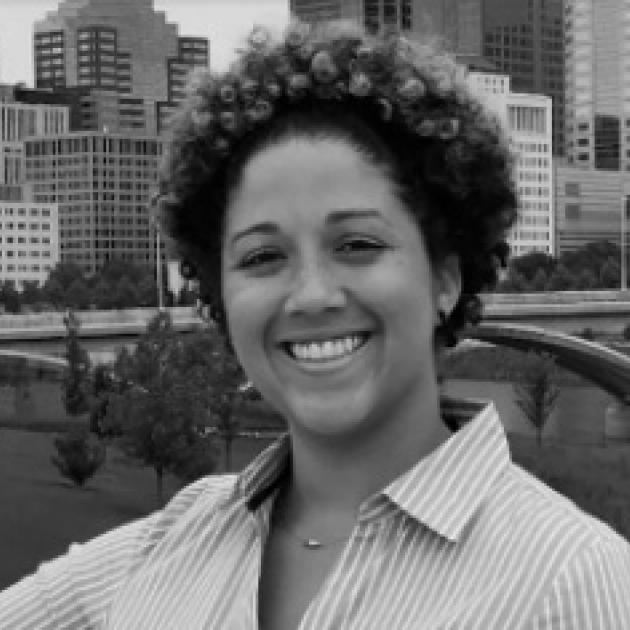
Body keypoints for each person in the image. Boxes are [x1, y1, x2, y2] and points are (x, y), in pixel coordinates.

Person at [2, 19, 629, 629]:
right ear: (220, 292)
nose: (310, 295)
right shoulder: (160, 551)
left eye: (357, 244)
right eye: (262, 257)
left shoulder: (572, 581)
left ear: (445, 275)